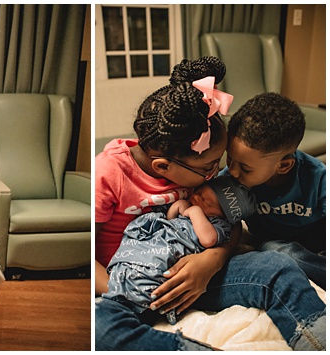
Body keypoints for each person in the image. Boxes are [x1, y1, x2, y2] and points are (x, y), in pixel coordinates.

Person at [94, 56, 325, 350]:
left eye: (219, 164)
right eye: (211, 167)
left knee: (277, 264)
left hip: (196, 276)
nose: (219, 174)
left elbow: (232, 225)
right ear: (164, 167)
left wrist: (211, 262)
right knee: (100, 327)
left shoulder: (194, 167)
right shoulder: (109, 174)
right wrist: (130, 292)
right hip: (128, 287)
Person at [103, 176, 254, 327]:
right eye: (199, 192)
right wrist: (178, 206)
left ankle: (137, 310)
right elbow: (169, 219)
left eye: (205, 201)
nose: (196, 198)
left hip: (174, 253)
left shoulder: (218, 224)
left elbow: (208, 240)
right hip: (157, 243)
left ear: (223, 215)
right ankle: (126, 288)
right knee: (137, 261)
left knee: (154, 277)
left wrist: (195, 212)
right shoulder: (189, 206)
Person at [222, 93, 325, 289]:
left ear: (284, 166)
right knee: (277, 252)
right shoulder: (230, 180)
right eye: (229, 159)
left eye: (245, 168)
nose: (233, 171)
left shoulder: (318, 178)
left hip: (318, 236)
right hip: (277, 243)